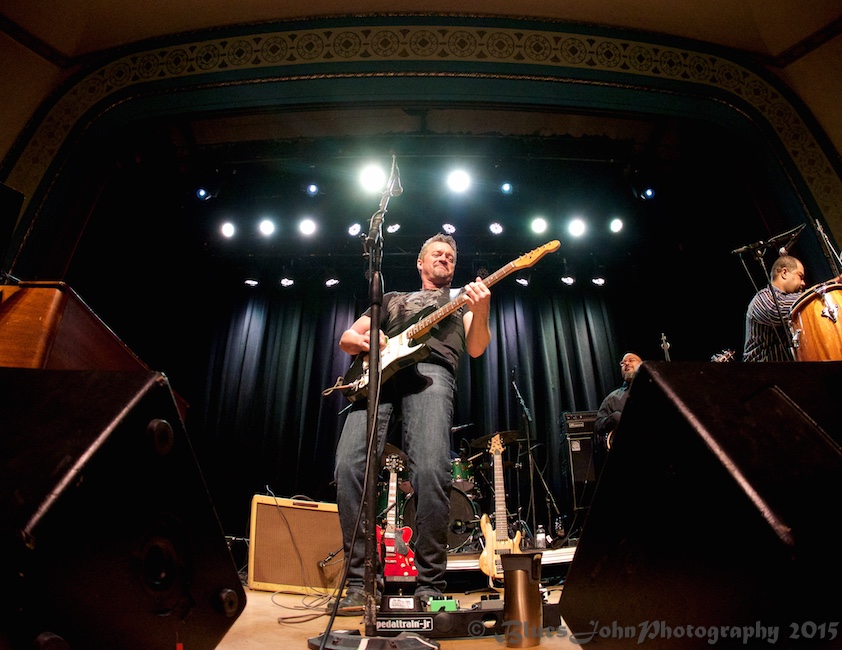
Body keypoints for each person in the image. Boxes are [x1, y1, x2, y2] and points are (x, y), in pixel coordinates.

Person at [332, 233, 492, 613]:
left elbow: (476, 347)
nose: (445, 259)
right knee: (348, 466)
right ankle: (360, 582)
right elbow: (347, 338)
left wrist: (482, 308)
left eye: (451, 257)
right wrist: (369, 343)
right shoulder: (390, 300)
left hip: (432, 372)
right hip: (377, 377)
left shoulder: (461, 302)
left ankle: (430, 585)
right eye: (437, 254)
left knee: (433, 472)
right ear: (420, 263)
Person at [743, 255, 808, 362]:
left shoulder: (790, 299)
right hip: (759, 375)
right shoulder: (763, 298)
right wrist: (823, 291)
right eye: (800, 276)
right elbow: (777, 310)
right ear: (784, 273)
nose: (803, 283)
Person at [594, 352, 643, 449]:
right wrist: (614, 418)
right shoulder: (612, 398)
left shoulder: (656, 389)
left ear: (642, 365)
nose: (627, 364)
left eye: (631, 360)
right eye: (623, 363)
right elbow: (598, 426)